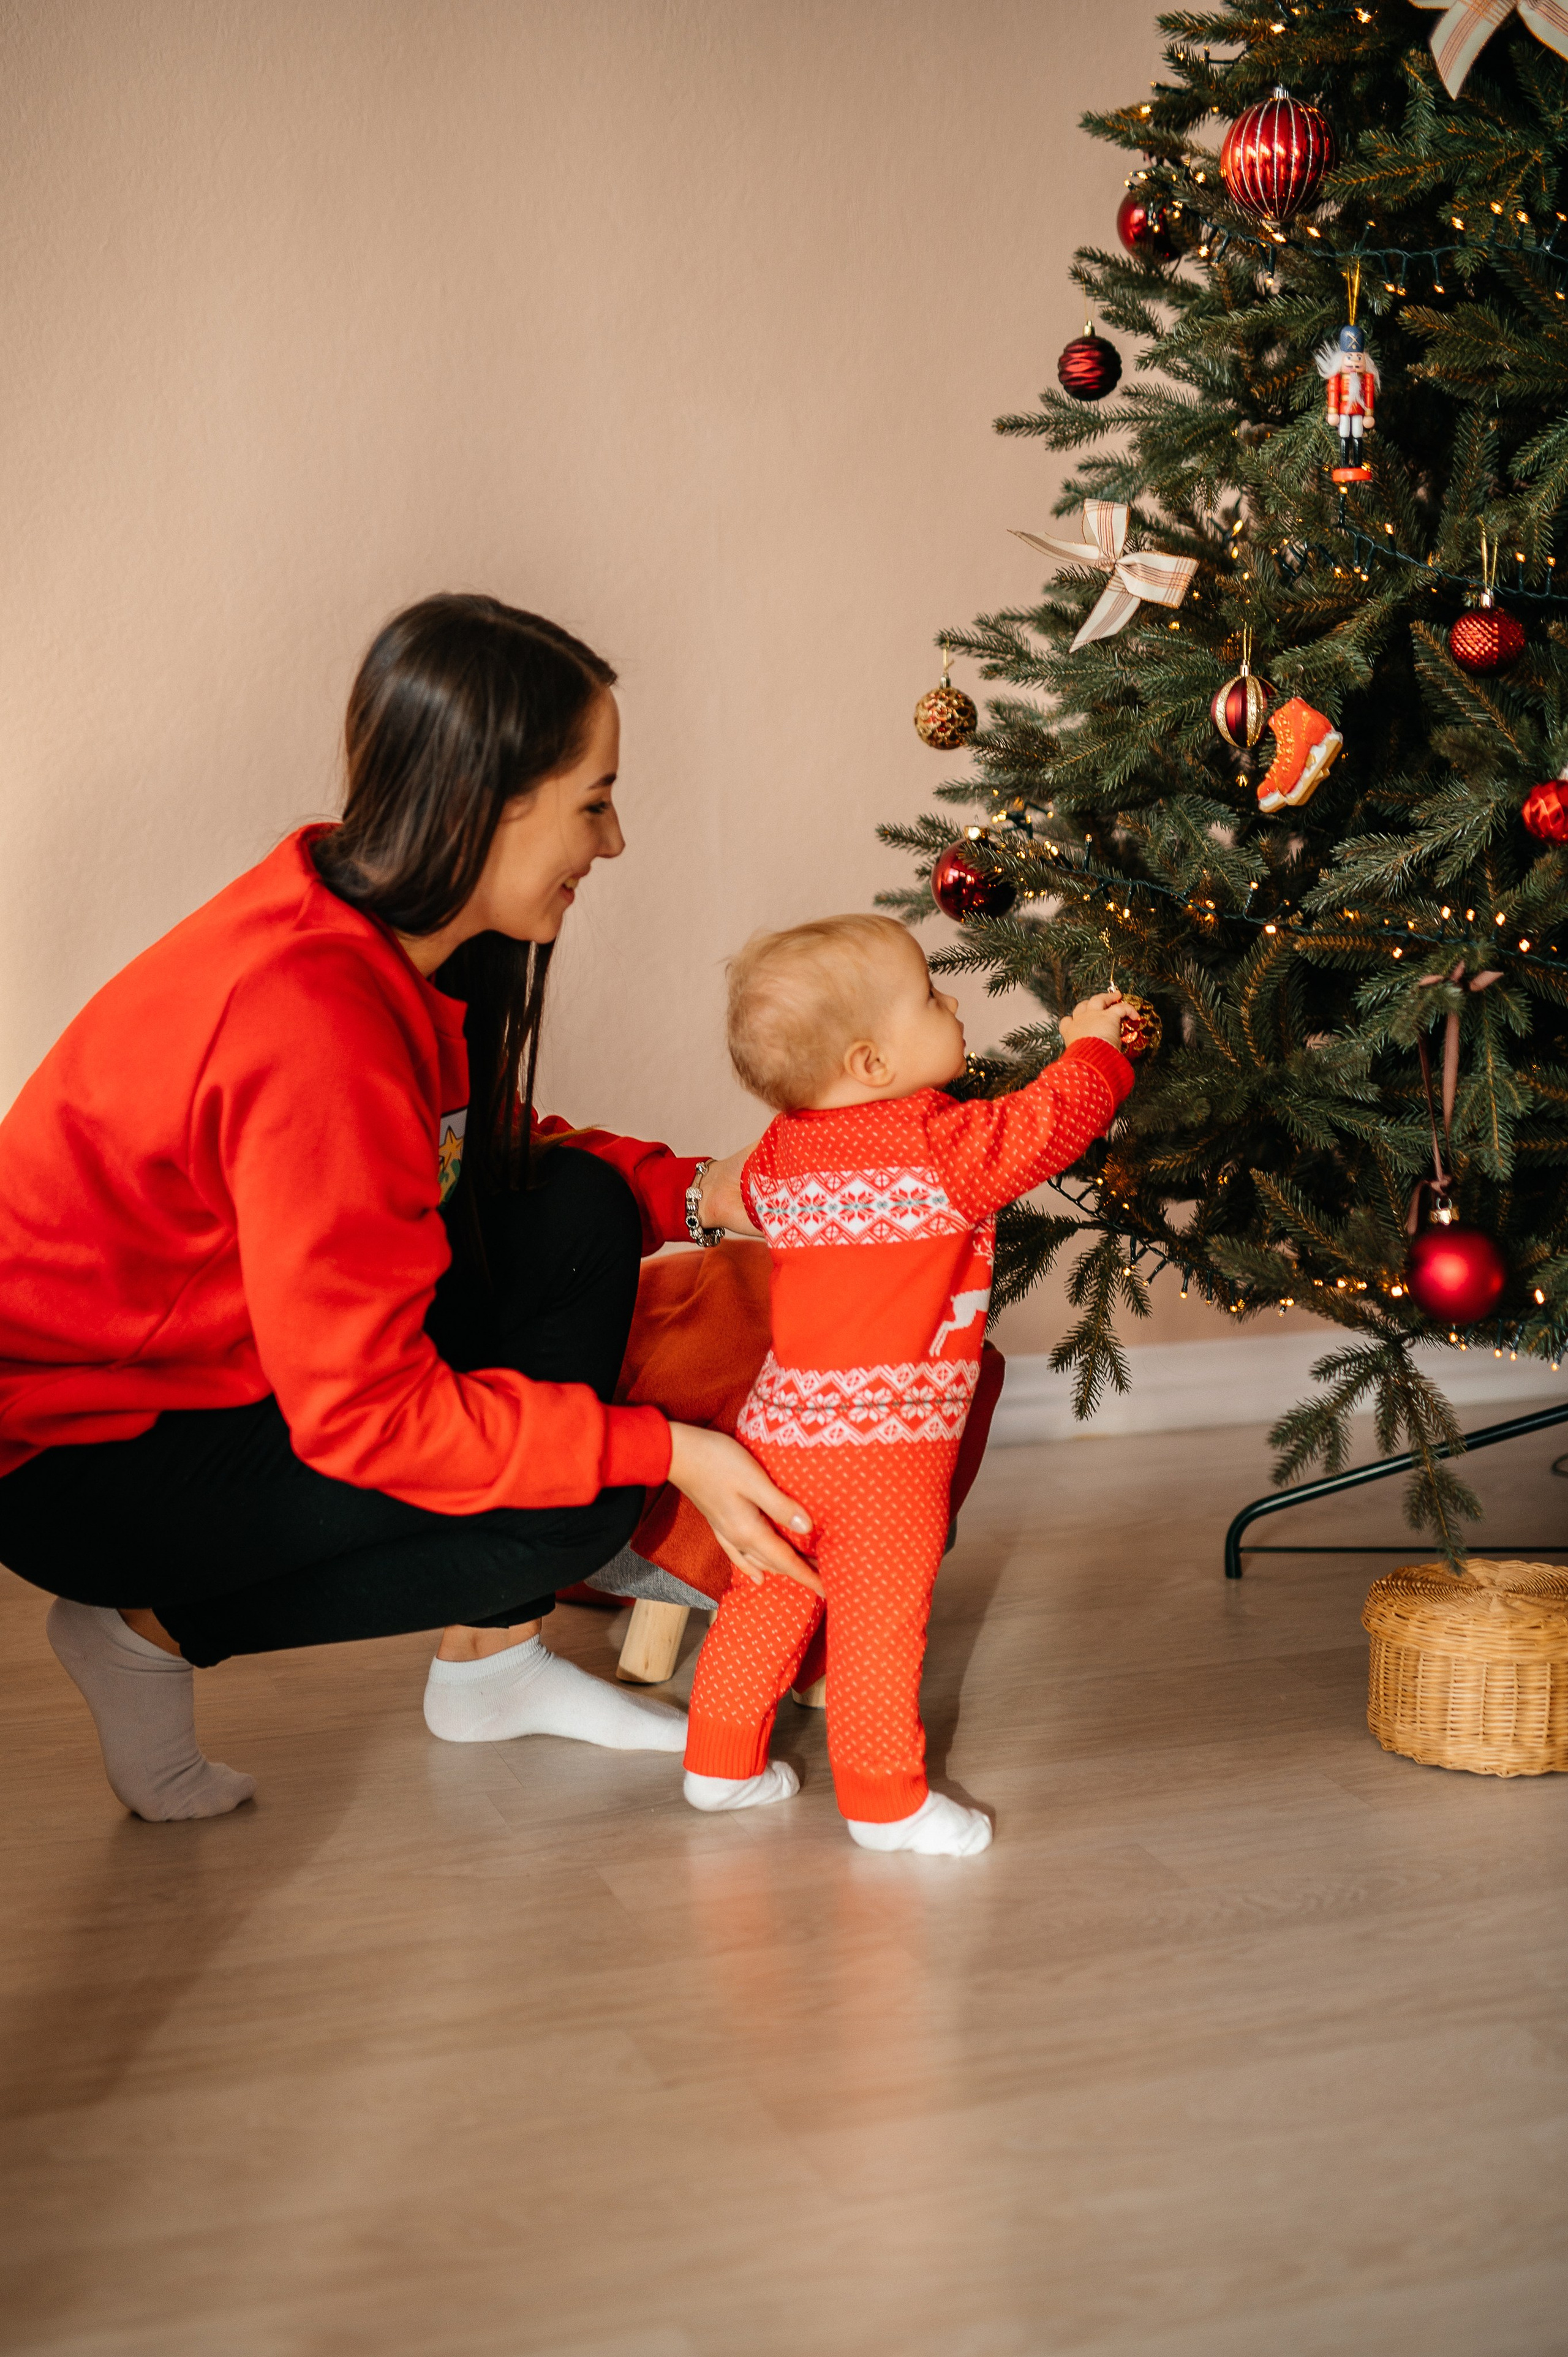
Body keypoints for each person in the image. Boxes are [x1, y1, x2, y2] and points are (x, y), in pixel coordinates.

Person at [0, 594, 824, 1821]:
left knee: (581, 1206)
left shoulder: (369, 921)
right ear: (488, 806)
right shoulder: (304, 1018)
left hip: (232, 1361)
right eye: (593, 801)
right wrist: (669, 1452)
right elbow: (366, 1416)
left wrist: (697, 1192)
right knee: (579, 1496)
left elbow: (450, 1153)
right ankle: (142, 1625)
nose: (612, 841)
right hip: (83, 1455)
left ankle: (490, 1670)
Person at [680, 914, 1134, 1857]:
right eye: (932, 994)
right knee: (882, 1618)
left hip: (783, 1431)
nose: (953, 1001)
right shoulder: (944, 1148)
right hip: (889, 1452)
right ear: (871, 1062)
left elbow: (741, 1201)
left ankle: (719, 1762)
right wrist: (1094, 1048)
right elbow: (1055, 1122)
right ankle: (886, 1800)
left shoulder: (781, 1152)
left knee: (768, 1591)